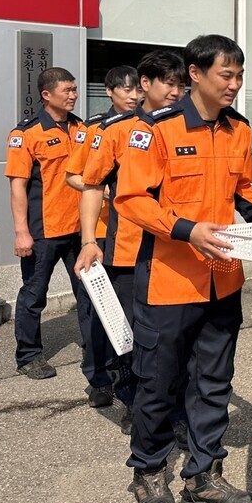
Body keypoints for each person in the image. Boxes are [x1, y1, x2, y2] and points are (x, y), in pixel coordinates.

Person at [115, 35, 252, 503]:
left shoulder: (239, 131)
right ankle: (148, 473)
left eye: (239, 75)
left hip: (223, 279)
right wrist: (187, 230)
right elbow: (132, 199)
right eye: (226, 75)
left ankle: (203, 476)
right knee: (158, 382)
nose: (234, 84)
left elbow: (244, 193)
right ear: (195, 74)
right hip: (168, 279)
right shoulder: (156, 129)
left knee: (213, 381)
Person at [72, 52, 187, 435]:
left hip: (177, 254)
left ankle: (177, 410)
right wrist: (90, 240)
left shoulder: (190, 128)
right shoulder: (117, 131)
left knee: (174, 341)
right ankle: (134, 402)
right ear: (145, 85)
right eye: (167, 82)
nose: (175, 91)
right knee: (131, 338)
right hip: (128, 253)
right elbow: (90, 185)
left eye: (180, 83)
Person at [5, 67, 96, 381]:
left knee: (88, 293)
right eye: (66, 90)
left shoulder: (81, 128)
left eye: (74, 90)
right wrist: (21, 232)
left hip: (80, 230)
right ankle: (28, 356)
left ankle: (93, 348)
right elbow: (18, 186)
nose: (73, 95)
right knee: (34, 295)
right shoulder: (26, 134)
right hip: (44, 231)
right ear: (47, 95)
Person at [64, 64, 140, 407]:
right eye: (125, 89)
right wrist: (105, 190)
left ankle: (130, 383)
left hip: (135, 231)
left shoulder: (147, 127)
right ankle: (98, 378)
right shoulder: (96, 128)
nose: (133, 95)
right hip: (102, 231)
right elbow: (74, 176)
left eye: (136, 89)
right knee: (97, 309)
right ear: (109, 91)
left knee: (131, 313)